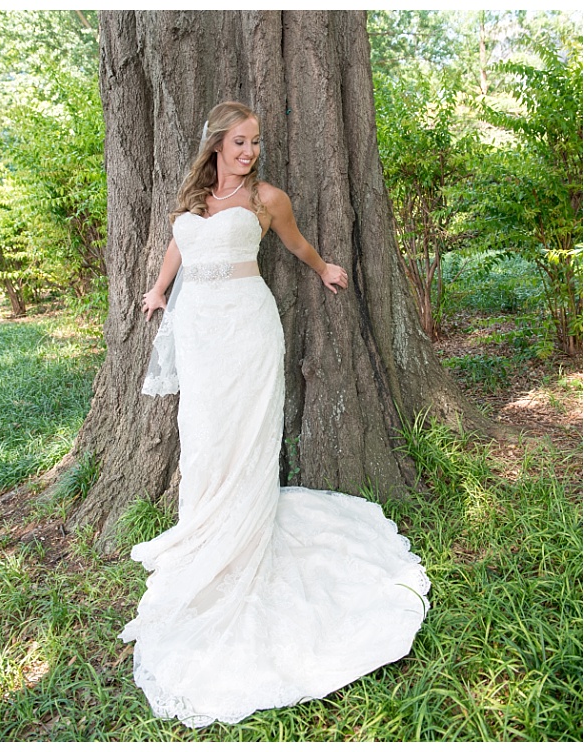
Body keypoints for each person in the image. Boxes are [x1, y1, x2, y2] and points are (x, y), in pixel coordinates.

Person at [122, 102, 430, 728]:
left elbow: (296, 245)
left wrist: (325, 269)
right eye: (239, 142)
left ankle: (245, 534)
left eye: (255, 142)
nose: (249, 152)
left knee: (247, 435)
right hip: (201, 335)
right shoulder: (193, 198)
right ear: (215, 144)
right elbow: (177, 249)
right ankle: (207, 525)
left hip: (248, 329)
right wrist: (158, 290)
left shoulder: (268, 197)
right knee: (204, 436)